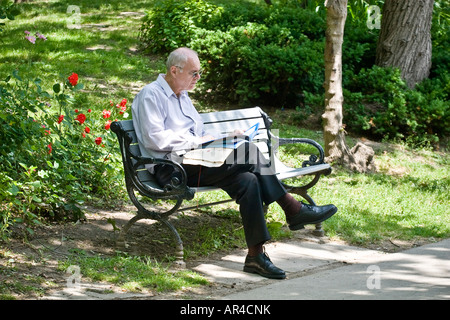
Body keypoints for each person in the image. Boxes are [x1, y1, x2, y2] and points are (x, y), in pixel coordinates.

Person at [131, 47, 337, 279]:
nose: (197, 78)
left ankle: (255, 256)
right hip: (172, 168)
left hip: (195, 160)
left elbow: (200, 133)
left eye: (199, 73)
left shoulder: (183, 96)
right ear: (174, 70)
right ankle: (292, 208)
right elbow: (155, 138)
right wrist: (198, 141)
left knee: (248, 180)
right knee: (249, 151)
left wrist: (225, 137)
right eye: (194, 73)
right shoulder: (151, 95)